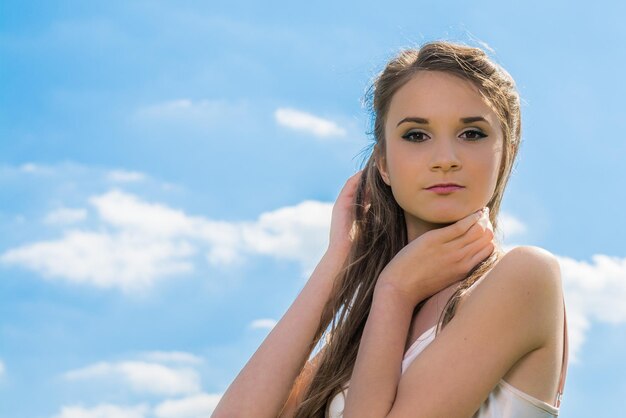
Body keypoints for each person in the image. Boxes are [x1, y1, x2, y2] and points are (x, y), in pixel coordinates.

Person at [212, 40, 568, 418]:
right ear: (382, 162)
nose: (445, 159)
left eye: (472, 134)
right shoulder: (364, 329)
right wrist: (337, 263)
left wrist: (395, 291)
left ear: (506, 152)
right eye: (416, 135)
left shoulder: (525, 276)